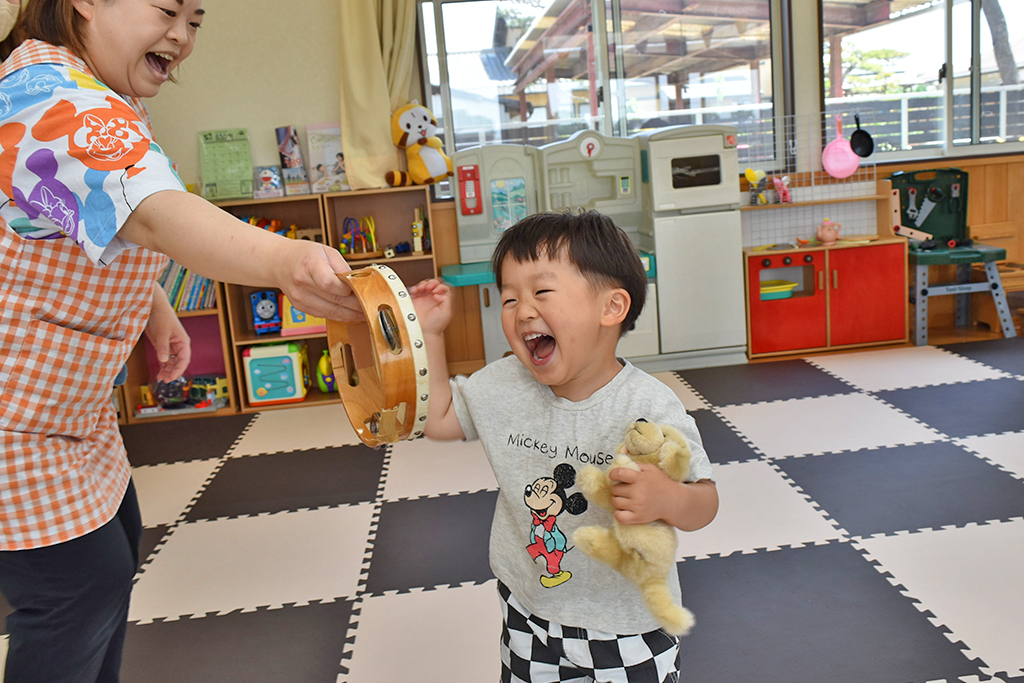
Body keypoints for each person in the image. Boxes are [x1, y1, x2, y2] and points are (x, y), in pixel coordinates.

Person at [0, 2, 361, 682]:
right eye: (167, 9)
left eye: (196, 19)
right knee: (79, 588)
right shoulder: (44, 94)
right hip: (16, 423)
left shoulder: (94, 90)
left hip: (72, 415)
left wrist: (153, 302)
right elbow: (157, 214)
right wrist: (285, 263)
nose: (182, 37)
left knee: (110, 561)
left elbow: (82, 217)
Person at [410, 210, 719, 683]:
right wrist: (429, 335)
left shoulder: (647, 406)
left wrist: (669, 498)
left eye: (542, 291)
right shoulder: (506, 383)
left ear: (611, 308)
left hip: (627, 624)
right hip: (530, 610)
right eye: (508, 297)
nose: (521, 310)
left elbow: (705, 502)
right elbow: (441, 418)